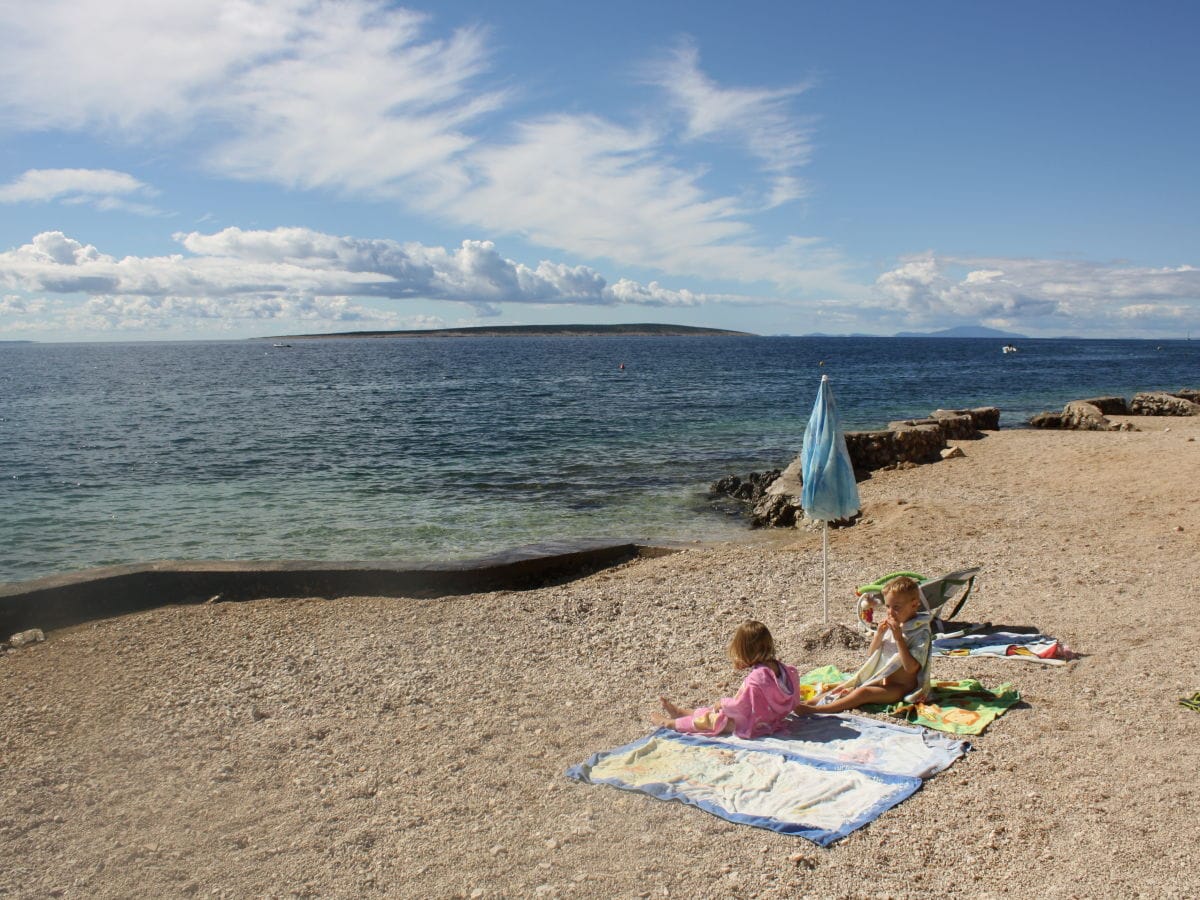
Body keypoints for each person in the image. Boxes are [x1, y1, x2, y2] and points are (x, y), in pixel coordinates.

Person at [795, 575, 933, 715]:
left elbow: (911, 668)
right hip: (882, 679)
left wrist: (899, 639)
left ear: (914, 604)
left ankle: (818, 710)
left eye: (896, 607)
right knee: (848, 686)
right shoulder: (896, 626)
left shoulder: (919, 632)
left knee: (863, 692)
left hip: (902, 687)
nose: (890, 612)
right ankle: (808, 703)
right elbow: (871, 654)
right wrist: (879, 635)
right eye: (887, 606)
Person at [651, 620, 799, 739]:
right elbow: (793, 699)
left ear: (745, 650)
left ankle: (670, 723)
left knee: (713, 719)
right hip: (769, 719)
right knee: (714, 711)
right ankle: (682, 712)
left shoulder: (756, 677)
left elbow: (740, 707)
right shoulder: (784, 669)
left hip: (751, 723)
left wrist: (723, 703)